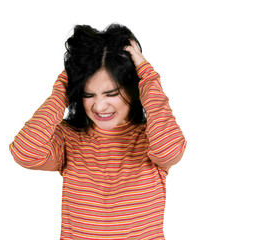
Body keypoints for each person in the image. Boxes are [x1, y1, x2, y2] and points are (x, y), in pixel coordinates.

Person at [9, 24, 187, 239]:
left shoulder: (151, 136)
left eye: (111, 93)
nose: (99, 106)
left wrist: (148, 77)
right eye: (88, 95)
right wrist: (63, 89)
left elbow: (169, 151)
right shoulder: (69, 138)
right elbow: (24, 152)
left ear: (133, 89)